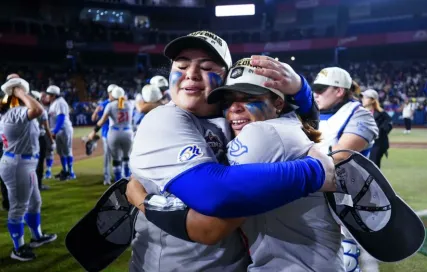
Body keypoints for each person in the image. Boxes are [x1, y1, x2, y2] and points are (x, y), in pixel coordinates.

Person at [126, 31, 334, 272]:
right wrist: (316, 171)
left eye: (206, 67)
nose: (191, 74)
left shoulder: (234, 117)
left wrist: (299, 88)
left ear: (226, 77)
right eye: (181, 66)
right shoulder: (163, 120)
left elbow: (298, 125)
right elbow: (214, 198)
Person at [311, 67, 379, 272]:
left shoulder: (360, 115)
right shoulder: (311, 113)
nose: (316, 94)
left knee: (345, 263)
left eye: (322, 89)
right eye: (315, 89)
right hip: (312, 198)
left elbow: (339, 155)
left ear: (339, 90)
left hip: (344, 202)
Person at [0, 75, 57, 261]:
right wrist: (18, 91)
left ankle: (37, 236)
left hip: (23, 163)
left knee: (35, 202)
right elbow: (38, 109)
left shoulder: (13, 113)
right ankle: (18, 248)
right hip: (18, 165)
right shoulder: (15, 113)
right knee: (19, 207)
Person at [88, 86, 133, 182]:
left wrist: (94, 131)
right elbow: (123, 103)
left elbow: (102, 121)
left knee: (116, 159)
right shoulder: (130, 104)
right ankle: (128, 180)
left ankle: (118, 182)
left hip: (114, 132)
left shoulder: (110, 105)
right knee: (126, 158)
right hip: (127, 132)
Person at [46, 85, 75, 181]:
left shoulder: (60, 102)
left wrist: (54, 131)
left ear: (54, 95)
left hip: (64, 130)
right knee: (61, 152)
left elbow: (61, 118)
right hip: (58, 130)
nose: (47, 96)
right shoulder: (54, 103)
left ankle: (71, 172)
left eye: (49, 94)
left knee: (67, 151)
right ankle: (65, 171)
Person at [91, 84, 116, 185]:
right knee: (107, 157)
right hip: (106, 133)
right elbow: (94, 119)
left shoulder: (121, 102)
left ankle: (119, 177)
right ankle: (107, 178)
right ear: (109, 93)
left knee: (119, 157)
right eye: (112, 92)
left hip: (116, 133)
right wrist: (96, 111)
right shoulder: (104, 104)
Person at [362, 89, 393, 168]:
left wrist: (380, 131)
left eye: (365, 97)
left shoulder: (381, 113)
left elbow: (389, 124)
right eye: (363, 97)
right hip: (363, 144)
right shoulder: (360, 112)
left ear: (372, 100)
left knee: (373, 168)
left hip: (377, 144)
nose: (363, 99)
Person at [30, 91, 53, 190]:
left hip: (29, 139)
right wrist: (51, 140)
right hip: (40, 138)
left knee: (30, 162)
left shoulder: (27, 109)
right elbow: (47, 128)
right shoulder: (42, 110)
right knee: (39, 162)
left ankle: (31, 184)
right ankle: (38, 185)